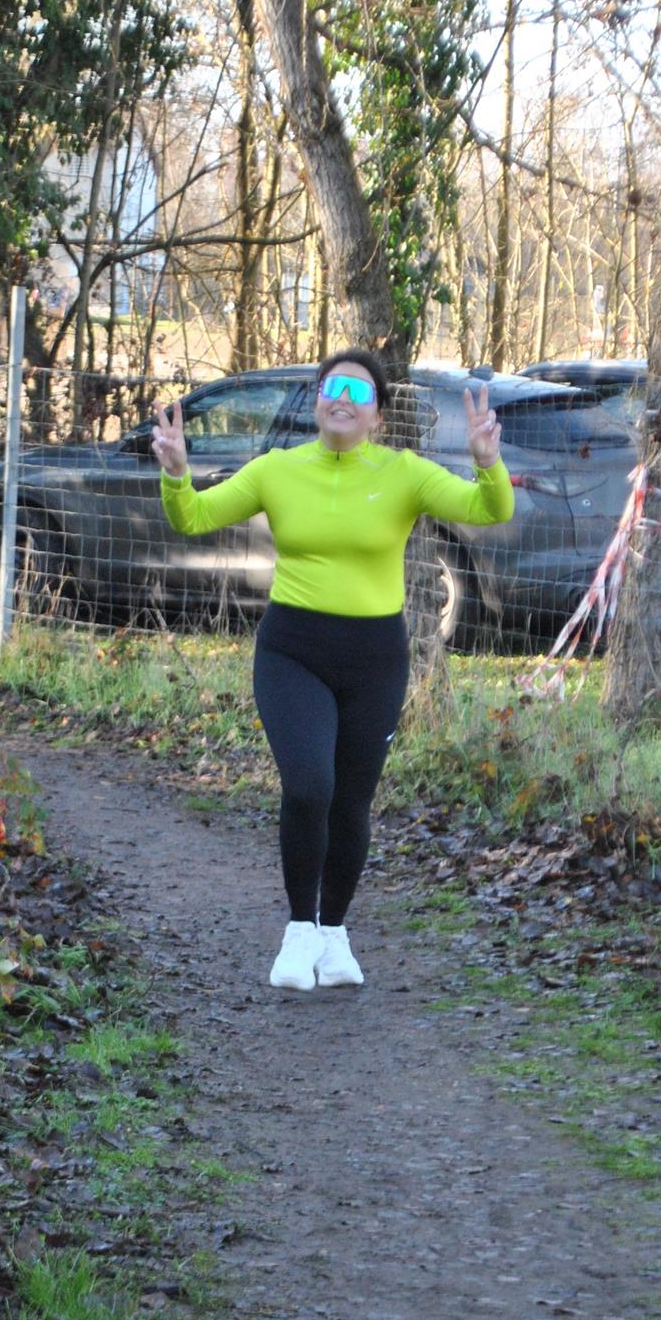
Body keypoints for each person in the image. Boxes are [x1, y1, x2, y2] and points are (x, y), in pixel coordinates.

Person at [153, 349, 513, 991]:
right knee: (309, 786)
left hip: (376, 661)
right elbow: (193, 517)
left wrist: (488, 464)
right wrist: (177, 474)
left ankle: (334, 934)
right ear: (317, 400)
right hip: (293, 653)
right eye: (332, 386)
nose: (343, 398)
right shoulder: (278, 470)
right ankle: (299, 931)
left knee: (352, 801)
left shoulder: (405, 473)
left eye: (359, 391)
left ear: (378, 416)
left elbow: (491, 511)